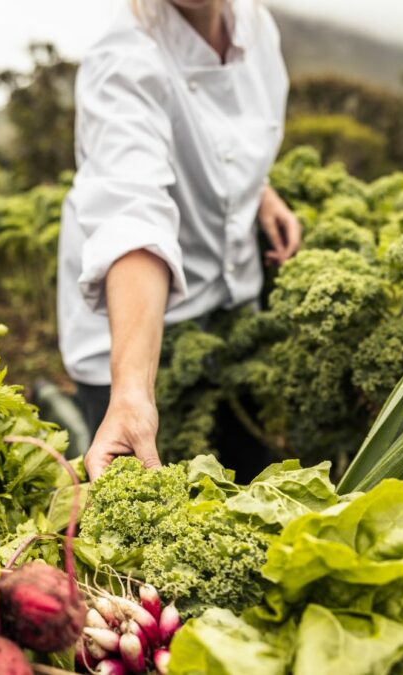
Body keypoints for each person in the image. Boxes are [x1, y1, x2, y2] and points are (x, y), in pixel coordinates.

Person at [56, 0, 302, 481]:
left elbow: (227, 136)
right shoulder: (123, 57)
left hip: (227, 306)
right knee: (156, 514)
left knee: (246, 469)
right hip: (131, 328)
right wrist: (130, 393)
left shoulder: (255, 26)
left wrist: (259, 191)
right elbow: (133, 214)